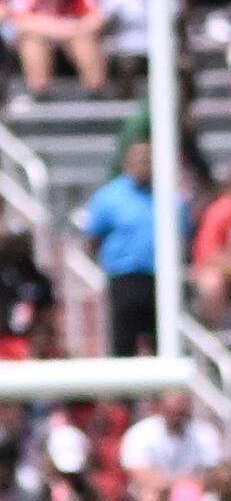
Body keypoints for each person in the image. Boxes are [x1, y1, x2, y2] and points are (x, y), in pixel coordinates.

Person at [81, 139, 160, 357]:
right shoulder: (110, 197)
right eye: (139, 161)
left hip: (160, 279)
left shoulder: (166, 195)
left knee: (161, 340)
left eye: (148, 161)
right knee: (124, 341)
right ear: (127, 163)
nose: (144, 166)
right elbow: (93, 237)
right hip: (125, 278)